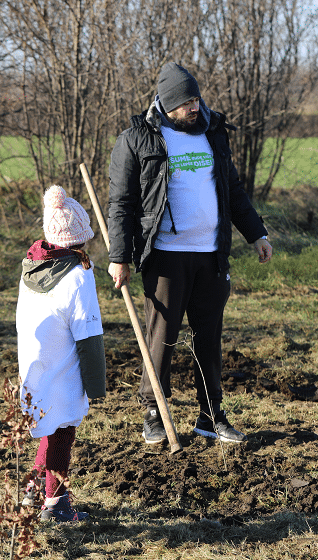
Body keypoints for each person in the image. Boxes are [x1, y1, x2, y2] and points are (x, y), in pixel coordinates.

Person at [107, 62, 272, 446]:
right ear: (166, 104)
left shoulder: (212, 132)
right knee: (161, 337)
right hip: (166, 255)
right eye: (185, 103)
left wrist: (256, 234)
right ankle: (154, 413)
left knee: (208, 339)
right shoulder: (138, 139)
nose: (194, 107)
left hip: (211, 254)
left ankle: (211, 416)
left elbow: (232, 190)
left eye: (196, 99)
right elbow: (121, 203)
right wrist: (120, 256)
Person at [16, 185, 106, 522]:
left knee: (50, 426)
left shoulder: (31, 268)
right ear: (80, 238)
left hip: (34, 363)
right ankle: (55, 506)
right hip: (63, 365)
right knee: (62, 431)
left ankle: (33, 494)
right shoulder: (78, 276)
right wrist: (95, 384)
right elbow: (88, 334)